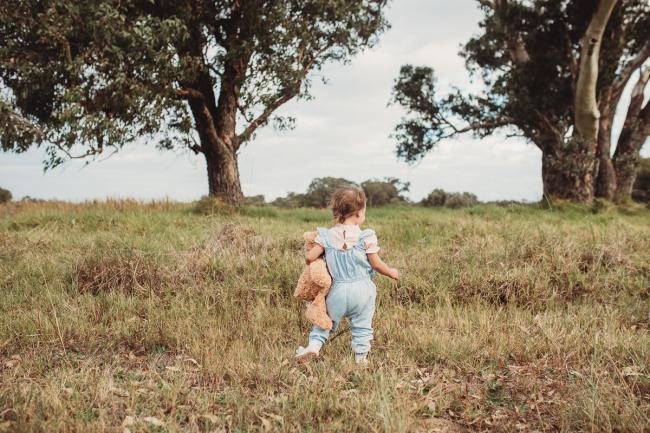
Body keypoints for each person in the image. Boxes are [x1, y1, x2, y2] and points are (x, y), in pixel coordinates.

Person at [295, 186, 399, 365]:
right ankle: (361, 358)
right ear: (358, 213)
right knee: (362, 324)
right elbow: (377, 264)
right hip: (363, 291)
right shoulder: (366, 236)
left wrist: (319, 252)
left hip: (337, 291)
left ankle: (313, 346)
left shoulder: (326, 236)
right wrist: (392, 272)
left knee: (325, 322)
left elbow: (309, 258)